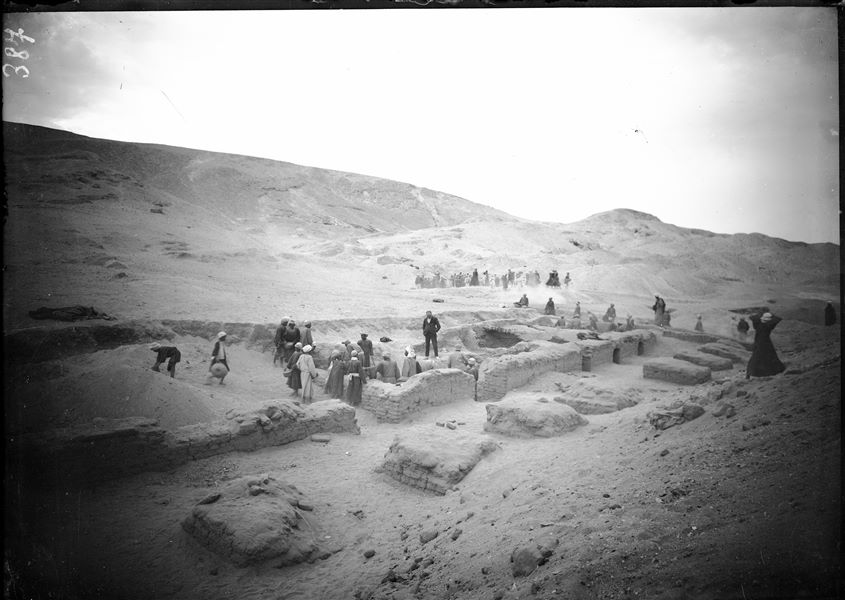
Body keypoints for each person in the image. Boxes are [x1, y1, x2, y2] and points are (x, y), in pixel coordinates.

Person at [746, 312, 785, 378]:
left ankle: (751, 372)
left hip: (758, 341)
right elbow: (778, 319)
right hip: (766, 342)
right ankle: (770, 371)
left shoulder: (757, 325)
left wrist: (760, 315)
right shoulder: (769, 325)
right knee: (769, 355)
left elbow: (752, 317)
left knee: (756, 356)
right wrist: (772, 315)